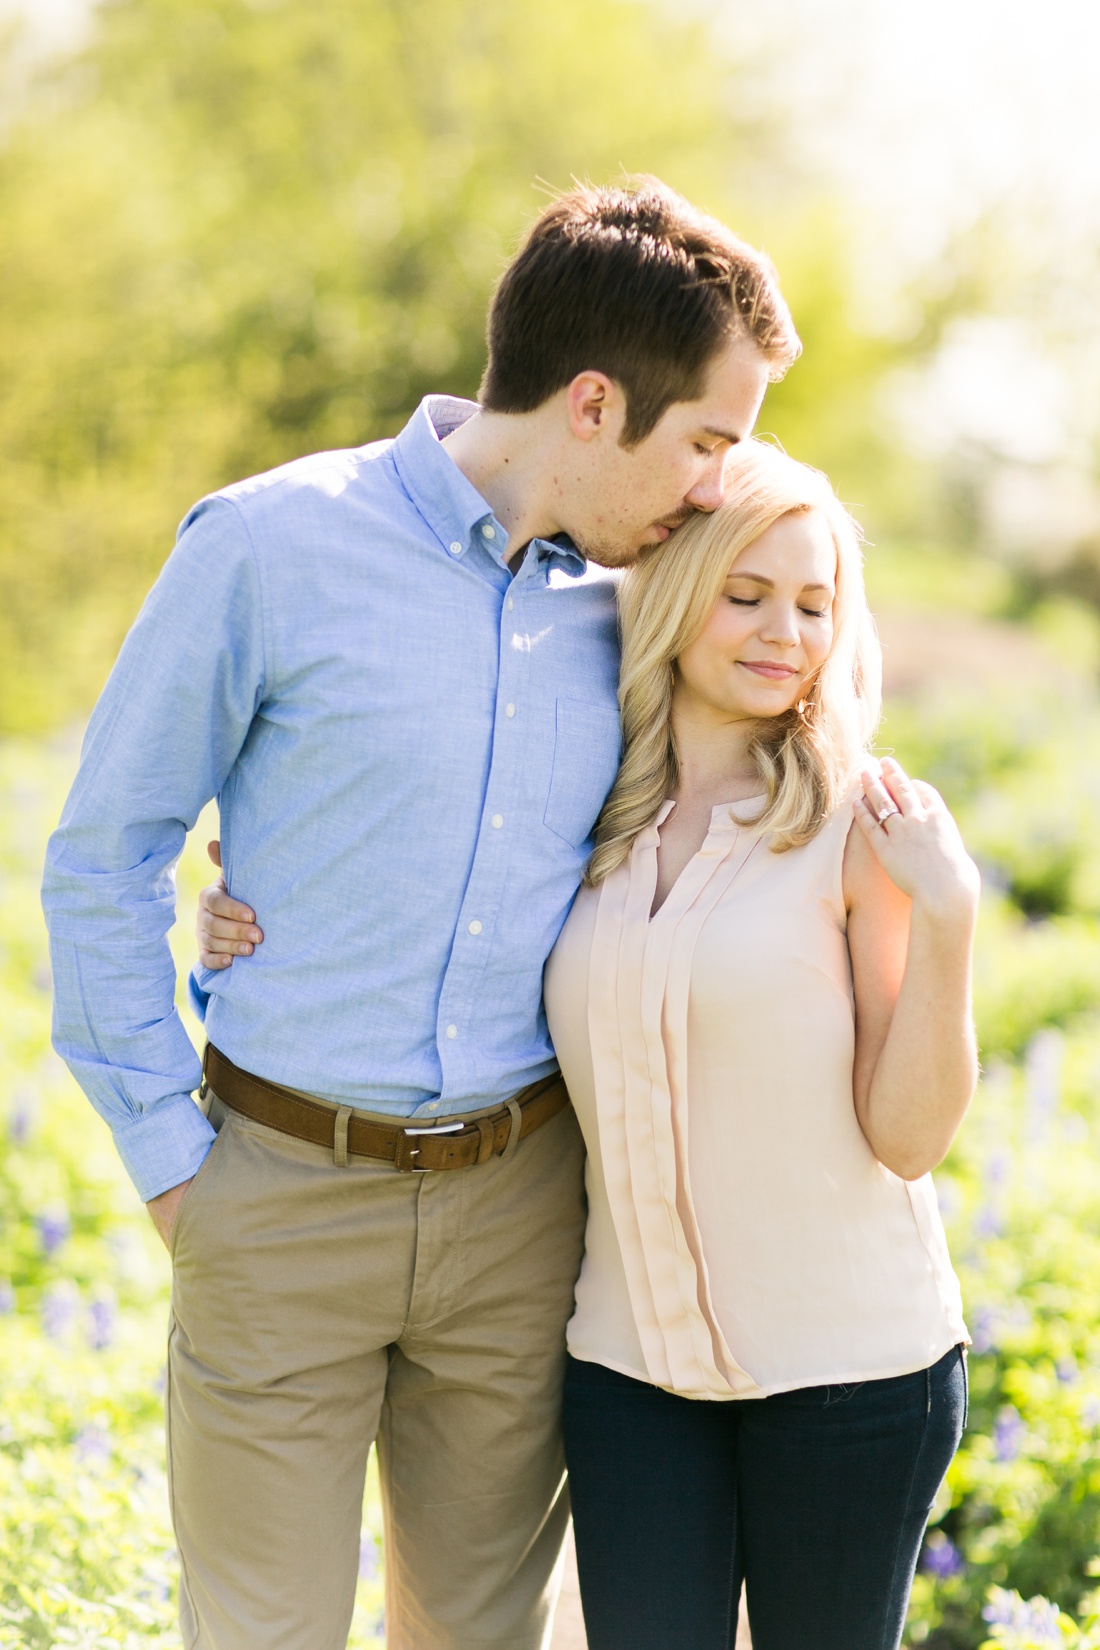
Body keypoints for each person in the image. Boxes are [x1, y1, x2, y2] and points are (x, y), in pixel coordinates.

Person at [41, 178, 800, 1650]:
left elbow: (782, 700)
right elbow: (105, 853)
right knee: (260, 1631)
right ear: (593, 404)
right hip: (277, 1187)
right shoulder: (268, 547)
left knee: (479, 1636)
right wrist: (175, 1165)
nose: (717, 484)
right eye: (709, 439)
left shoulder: (638, 605)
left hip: (524, 1206)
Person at [203, 442, 979, 1650]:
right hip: (629, 1377)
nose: (785, 633)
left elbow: (908, 1135)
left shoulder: (857, 827)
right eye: (747, 594)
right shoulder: (577, 808)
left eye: (814, 605)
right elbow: (428, 902)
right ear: (673, 595)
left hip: (848, 1375)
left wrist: (949, 921)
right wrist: (251, 904)